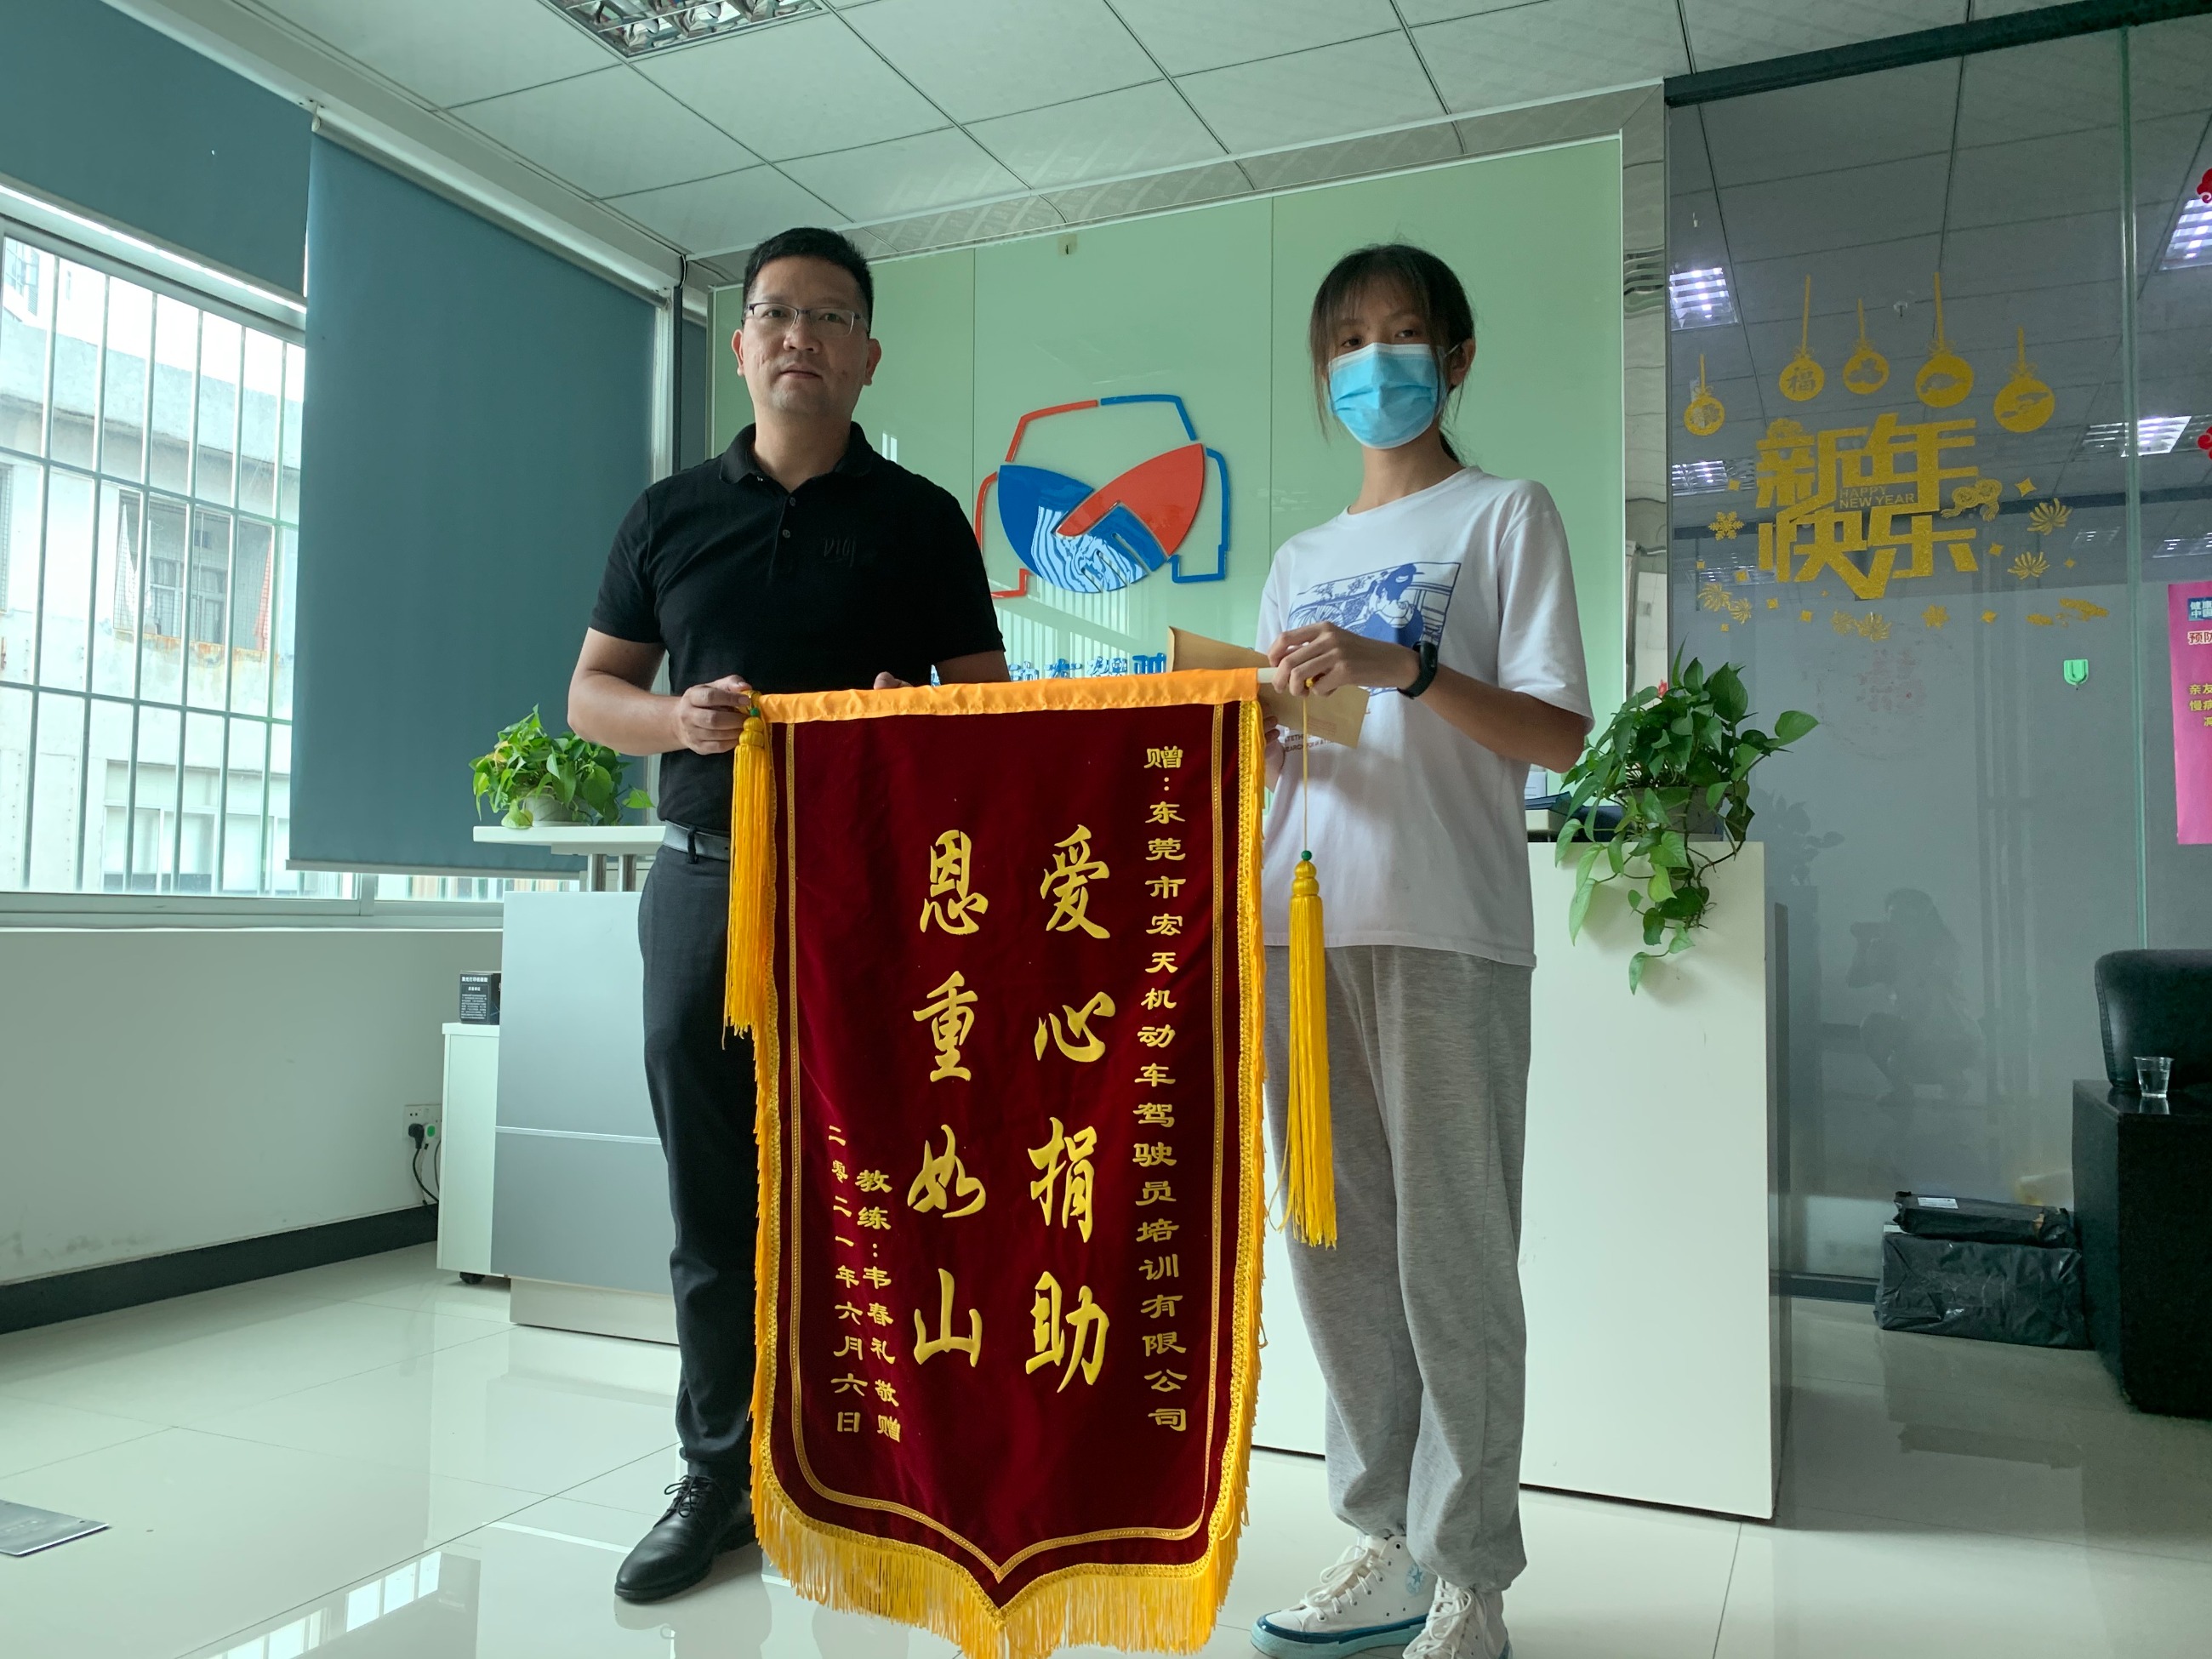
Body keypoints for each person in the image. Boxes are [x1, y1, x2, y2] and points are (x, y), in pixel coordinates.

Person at [567, 226, 1008, 1603]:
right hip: (705, 878)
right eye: (774, 313)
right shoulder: (667, 515)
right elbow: (591, 694)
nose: (799, 336)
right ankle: (721, 1474)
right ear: (743, 345)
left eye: (829, 316)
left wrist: (910, 717)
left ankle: (867, 1466)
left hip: (869, 894)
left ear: (869, 354)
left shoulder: (922, 519)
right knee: (713, 1198)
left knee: (864, 1182)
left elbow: (990, 710)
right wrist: (676, 719)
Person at [1248, 244, 1593, 1659]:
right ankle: (1386, 1539)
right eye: (1348, 340)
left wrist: (1411, 669)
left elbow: (1559, 733)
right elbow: (1284, 761)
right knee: (1334, 1253)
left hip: (1446, 924)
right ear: (1323, 369)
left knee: (1454, 1255)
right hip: (1298, 927)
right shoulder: (1296, 559)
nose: (1373, 360)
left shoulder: (1506, 515)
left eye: (1401, 334)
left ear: (1455, 358)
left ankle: (1472, 1578)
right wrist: (1248, 721)